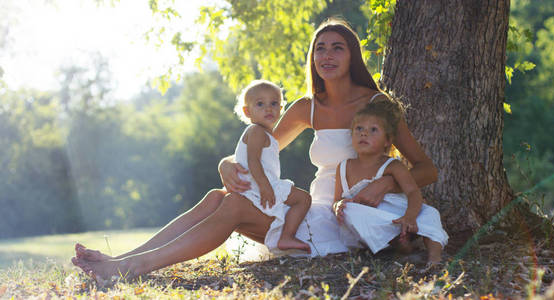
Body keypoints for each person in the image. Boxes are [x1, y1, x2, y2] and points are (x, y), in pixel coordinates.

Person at [72, 17, 438, 282]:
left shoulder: (375, 106)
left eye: (337, 48)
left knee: (232, 205)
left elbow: (425, 169)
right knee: (219, 195)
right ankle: (121, 259)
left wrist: (383, 185)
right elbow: (260, 149)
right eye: (319, 49)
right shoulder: (305, 107)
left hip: (340, 220)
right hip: (310, 209)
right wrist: (225, 163)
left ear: (352, 55)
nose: (326, 56)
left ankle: (129, 269)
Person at [333, 98, 448, 264]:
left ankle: (434, 257)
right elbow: (336, 199)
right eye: (359, 129)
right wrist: (338, 205)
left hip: (398, 215)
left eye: (373, 130)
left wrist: (410, 216)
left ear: (387, 141)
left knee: (431, 213)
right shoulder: (343, 167)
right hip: (370, 222)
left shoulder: (392, 166)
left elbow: (413, 192)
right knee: (350, 210)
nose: (364, 133)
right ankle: (396, 243)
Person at [231, 79, 311, 253]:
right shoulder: (257, 131)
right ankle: (287, 236)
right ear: (247, 111)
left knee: (298, 200)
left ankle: (284, 234)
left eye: (274, 103)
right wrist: (265, 186)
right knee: (303, 199)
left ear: (281, 109)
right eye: (260, 104)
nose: (268, 108)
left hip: (257, 182)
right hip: (257, 183)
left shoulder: (265, 134)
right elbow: (253, 160)